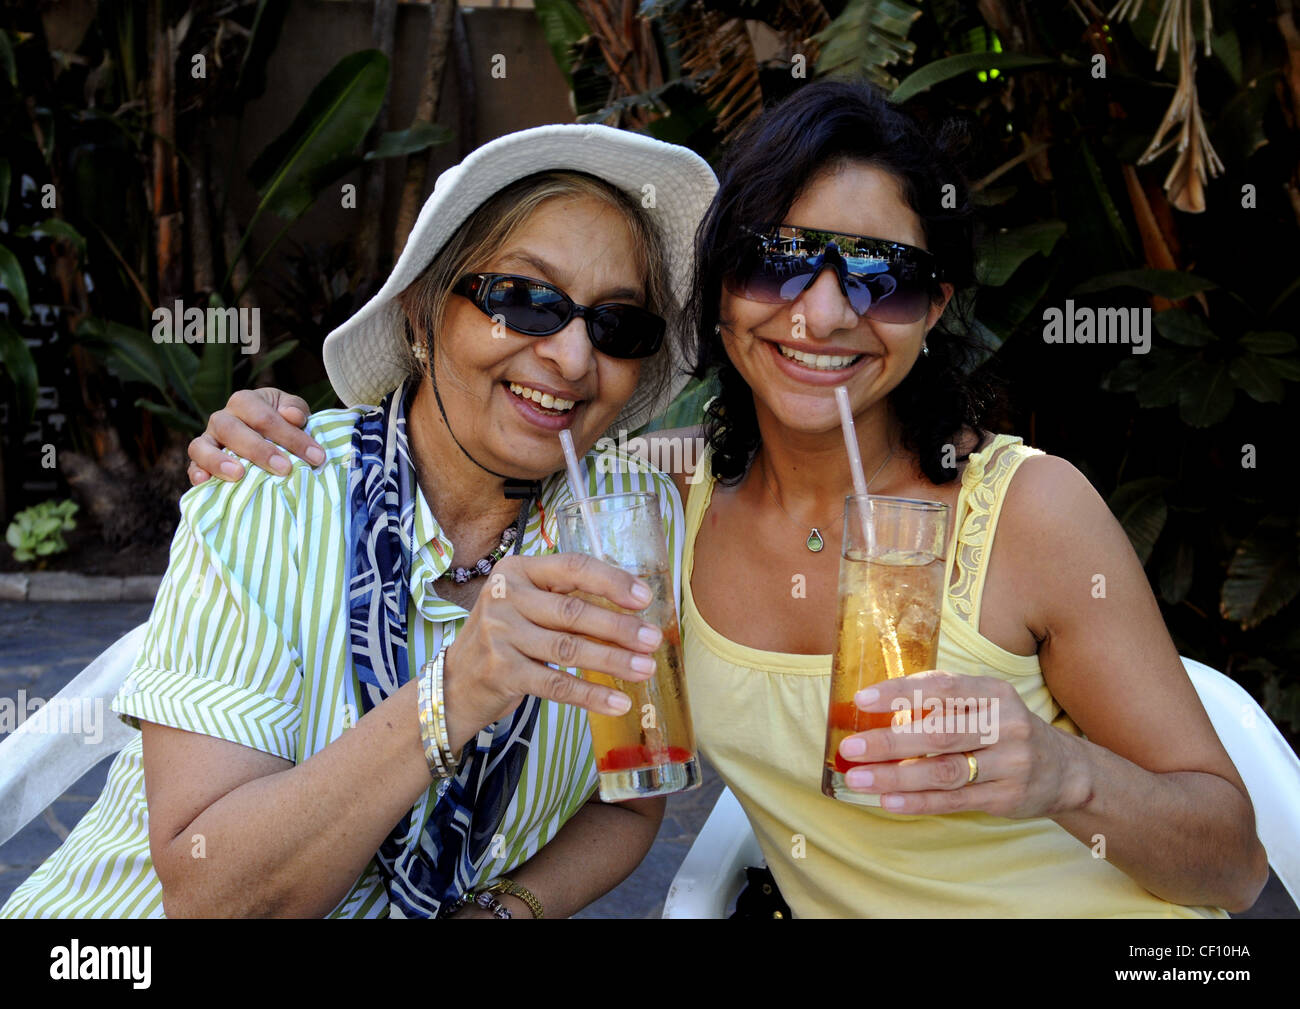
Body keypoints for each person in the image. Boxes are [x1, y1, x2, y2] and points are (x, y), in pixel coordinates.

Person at [182, 81, 1269, 918]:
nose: (826, 313)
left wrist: (1061, 772)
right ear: (721, 295)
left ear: (931, 309)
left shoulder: (1033, 512)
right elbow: (523, 434)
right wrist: (267, 424)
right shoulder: (664, 506)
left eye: (881, 277)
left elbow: (1229, 857)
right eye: (779, 263)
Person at [1, 123, 717, 918]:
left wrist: (510, 907)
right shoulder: (272, 490)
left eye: (617, 325)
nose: (575, 358)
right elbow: (207, 898)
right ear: (421, 315)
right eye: (523, 299)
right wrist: (455, 690)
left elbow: (636, 789)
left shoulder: (633, 522)